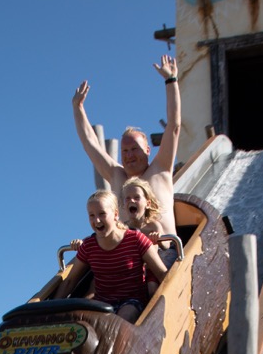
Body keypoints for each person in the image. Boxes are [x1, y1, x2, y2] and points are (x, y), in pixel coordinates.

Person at [71, 55, 181, 239]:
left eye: (134, 149)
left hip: (165, 253)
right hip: (128, 256)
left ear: (147, 150)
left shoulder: (160, 168)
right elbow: (91, 144)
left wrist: (171, 81)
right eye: (125, 151)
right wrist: (78, 108)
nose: (129, 155)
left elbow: (174, 126)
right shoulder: (117, 175)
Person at [61, 190, 168, 323]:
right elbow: (70, 281)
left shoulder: (135, 239)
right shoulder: (89, 246)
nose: (97, 220)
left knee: (120, 322)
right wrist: (52, 309)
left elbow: (161, 273)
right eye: (92, 216)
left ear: (116, 215)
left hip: (132, 301)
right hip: (102, 304)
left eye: (102, 214)